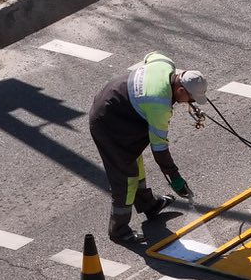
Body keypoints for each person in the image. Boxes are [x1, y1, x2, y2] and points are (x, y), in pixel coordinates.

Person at [88, 52, 207, 244]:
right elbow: (159, 150)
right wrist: (175, 178)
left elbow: (150, 55)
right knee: (126, 177)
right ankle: (118, 229)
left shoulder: (165, 63)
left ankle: (149, 204)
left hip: (114, 101)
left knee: (137, 163)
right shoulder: (159, 105)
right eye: (191, 99)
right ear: (181, 91)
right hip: (108, 123)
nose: (191, 103)